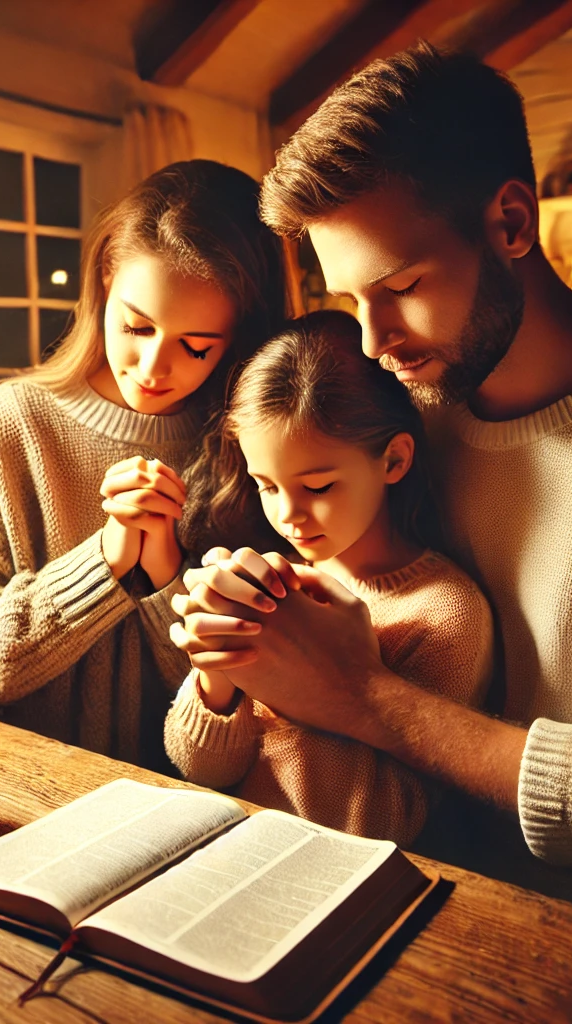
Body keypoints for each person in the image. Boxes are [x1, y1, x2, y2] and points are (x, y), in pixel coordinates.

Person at [167, 44, 572, 1021]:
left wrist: (366, 698)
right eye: (348, 298)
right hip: (439, 879)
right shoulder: (407, 418)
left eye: (399, 284)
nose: (373, 336)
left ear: (511, 220)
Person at [0, 160, 286, 766]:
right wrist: (104, 563)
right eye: (136, 325)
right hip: (14, 792)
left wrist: (162, 582)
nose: (154, 368)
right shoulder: (3, 427)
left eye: (196, 346)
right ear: (104, 280)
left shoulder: (256, 449)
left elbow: (257, 704)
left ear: (239, 336)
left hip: (189, 801)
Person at [164, 310, 492, 846]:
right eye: (266, 486)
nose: (288, 516)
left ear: (393, 460)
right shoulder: (277, 577)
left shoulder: (443, 614)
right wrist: (216, 678)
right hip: (231, 853)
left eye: (317, 487)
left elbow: (378, 823)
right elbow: (202, 768)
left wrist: (302, 687)